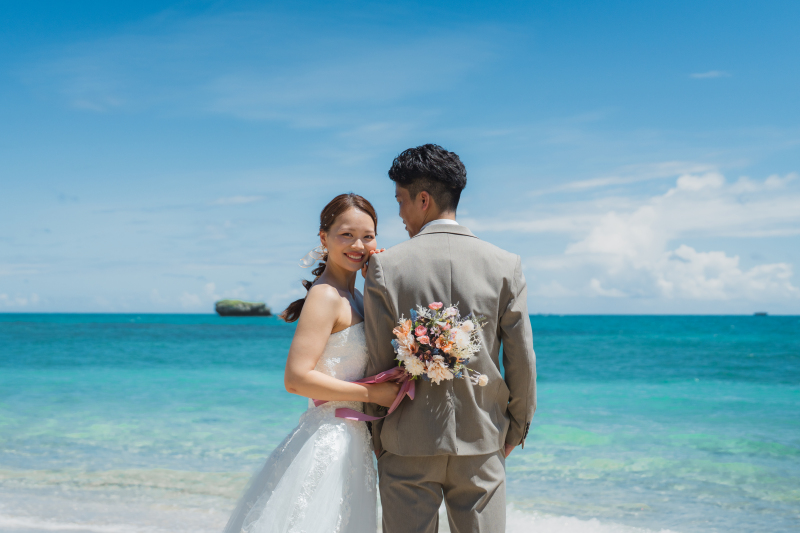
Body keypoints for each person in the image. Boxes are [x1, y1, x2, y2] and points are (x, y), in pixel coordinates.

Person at [363, 144, 537, 533]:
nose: (400, 215)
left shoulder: (384, 267)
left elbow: (378, 362)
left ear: (422, 200)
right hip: (483, 437)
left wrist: (379, 435)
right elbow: (521, 358)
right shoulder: (505, 264)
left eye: (400, 202)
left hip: (406, 441)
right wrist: (516, 428)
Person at [222, 193, 398, 533]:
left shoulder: (359, 297)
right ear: (323, 238)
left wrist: (383, 276)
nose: (358, 244)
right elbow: (296, 379)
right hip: (328, 441)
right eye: (346, 234)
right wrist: (374, 395)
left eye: (368, 235)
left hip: (354, 443)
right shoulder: (325, 295)